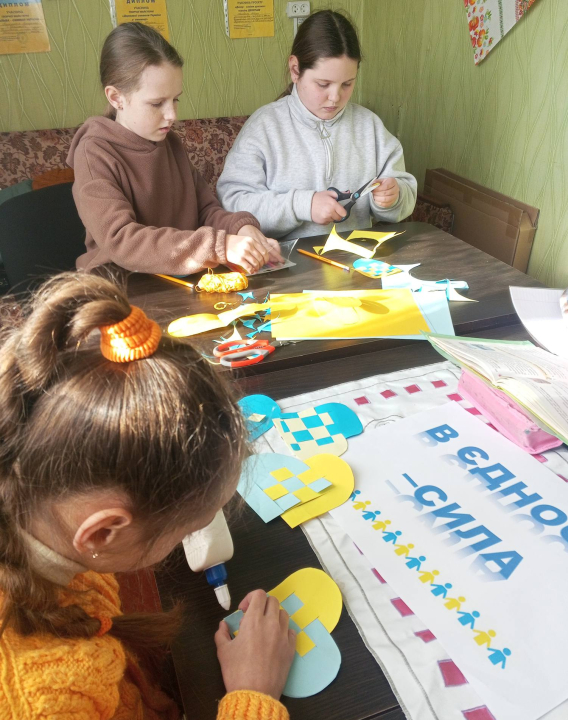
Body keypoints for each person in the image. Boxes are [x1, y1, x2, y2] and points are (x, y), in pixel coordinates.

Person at [0, 272, 295, 719]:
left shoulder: (40, 509)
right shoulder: (47, 702)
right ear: (102, 533)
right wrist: (254, 694)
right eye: (186, 530)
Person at [68, 23, 282, 276]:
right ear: (116, 98)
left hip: (179, 278)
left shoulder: (169, 141)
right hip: (123, 283)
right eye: (157, 103)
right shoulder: (94, 153)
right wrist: (221, 245)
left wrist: (241, 229)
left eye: (175, 99)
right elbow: (122, 240)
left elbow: (205, 210)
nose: (172, 115)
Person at [217, 10, 417, 241]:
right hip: (282, 260)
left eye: (347, 84)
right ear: (295, 69)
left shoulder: (369, 126)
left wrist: (394, 197)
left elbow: (404, 192)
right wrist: (302, 205)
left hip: (358, 256)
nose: (335, 97)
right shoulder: (264, 127)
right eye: (323, 84)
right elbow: (233, 203)